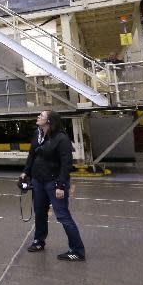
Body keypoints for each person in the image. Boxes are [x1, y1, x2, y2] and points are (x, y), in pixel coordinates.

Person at [21, 110, 86, 261]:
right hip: (38, 180)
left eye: (41, 116)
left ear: (49, 121)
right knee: (40, 212)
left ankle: (77, 250)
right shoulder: (38, 135)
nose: (38, 117)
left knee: (63, 216)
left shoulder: (61, 139)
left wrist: (61, 185)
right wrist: (26, 172)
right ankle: (39, 241)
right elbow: (32, 154)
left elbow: (66, 163)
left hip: (54, 182)